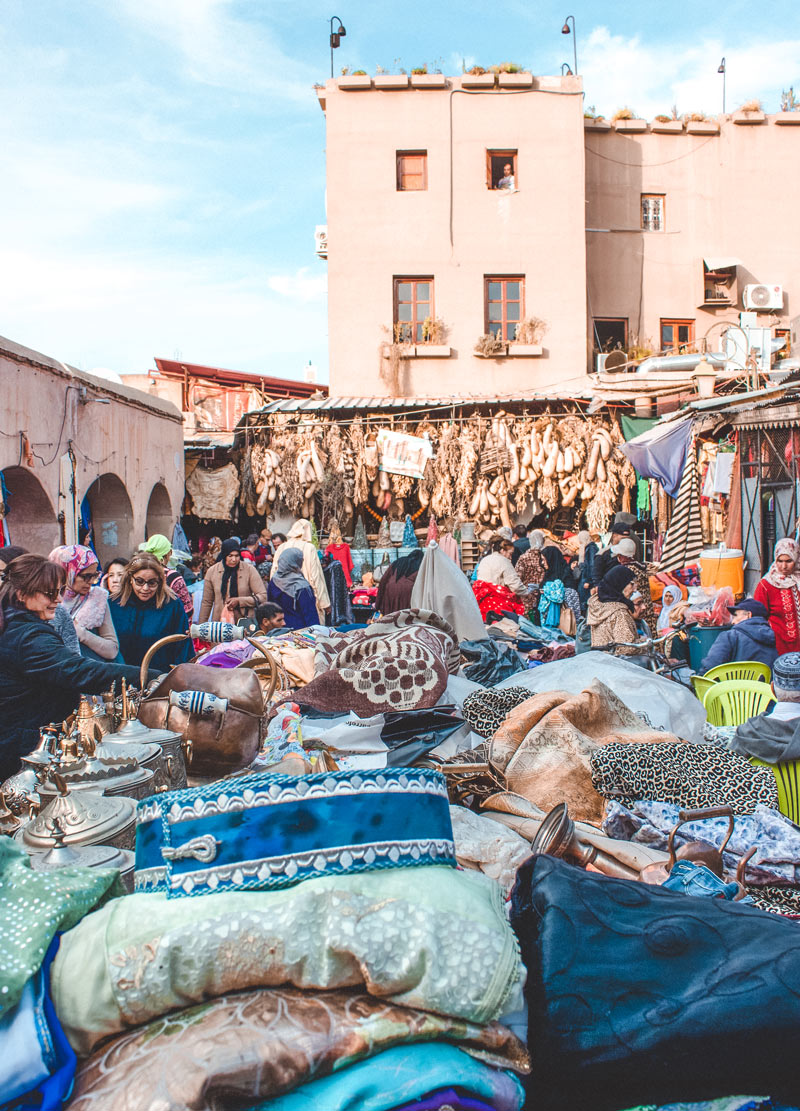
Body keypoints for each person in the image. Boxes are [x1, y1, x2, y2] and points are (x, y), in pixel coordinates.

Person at [0, 554, 142, 780]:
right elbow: (81, 672)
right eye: (50, 593)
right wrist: (150, 677)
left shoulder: (14, 624)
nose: (58, 599)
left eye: (60, 592)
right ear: (21, 594)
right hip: (23, 748)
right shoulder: (28, 636)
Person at [109, 554, 193, 672]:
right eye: (139, 582)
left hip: (159, 680)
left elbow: (183, 647)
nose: (145, 588)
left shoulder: (172, 605)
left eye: (152, 583)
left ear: (160, 581)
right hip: (119, 677)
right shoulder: (113, 604)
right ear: (130, 579)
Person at [1, 544, 80, 655]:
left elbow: (72, 659)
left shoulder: (57, 612)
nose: (59, 599)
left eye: (60, 591)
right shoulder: (23, 631)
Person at [48, 545, 121, 662]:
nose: (91, 582)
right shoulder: (46, 600)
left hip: (93, 672)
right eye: (86, 576)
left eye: (94, 575)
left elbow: (112, 650)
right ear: (67, 572)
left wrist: (82, 633)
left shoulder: (97, 598)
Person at [699, 598, 778, 674]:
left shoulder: (730, 636)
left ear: (748, 615)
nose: (732, 622)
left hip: (734, 687)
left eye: (735, 616)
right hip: (763, 687)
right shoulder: (771, 639)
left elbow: (710, 667)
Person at [199, 539, 267, 623]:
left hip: (244, 622)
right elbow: (207, 602)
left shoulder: (249, 570)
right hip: (220, 622)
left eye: (237, 555)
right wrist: (200, 628)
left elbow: (263, 597)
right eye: (230, 556)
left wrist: (239, 601)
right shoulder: (212, 572)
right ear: (224, 555)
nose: (234, 559)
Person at [754, 538, 800, 656]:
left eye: (789, 561)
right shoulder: (766, 585)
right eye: (780, 561)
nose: (784, 566)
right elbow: (758, 617)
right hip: (777, 645)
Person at [586, 566, 644, 658]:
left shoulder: (598, 607)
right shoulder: (619, 613)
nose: (635, 589)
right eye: (632, 584)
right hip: (616, 666)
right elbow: (626, 648)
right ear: (620, 584)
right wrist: (643, 643)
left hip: (600, 662)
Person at [472, 536, 530, 620]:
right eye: (510, 554)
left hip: (482, 602)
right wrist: (526, 592)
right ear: (503, 550)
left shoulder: (485, 560)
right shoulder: (504, 562)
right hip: (499, 603)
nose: (510, 557)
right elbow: (515, 585)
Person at [282, 519, 331, 621]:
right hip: (307, 597)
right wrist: (324, 603)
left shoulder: (282, 547)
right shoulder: (309, 548)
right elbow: (315, 576)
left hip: (285, 597)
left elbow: (274, 573)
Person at [139, 534, 194, 618]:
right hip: (169, 628)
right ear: (170, 553)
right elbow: (187, 609)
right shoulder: (173, 577)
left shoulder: (138, 574)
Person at [267, 547, 320, 630]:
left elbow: (269, 606)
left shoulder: (274, 581)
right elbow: (310, 615)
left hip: (278, 630)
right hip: (300, 632)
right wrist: (316, 633)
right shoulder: (302, 586)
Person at [538, 545, 582, 631]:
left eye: (544, 559)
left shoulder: (566, 573)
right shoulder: (548, 574)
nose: (542, 563)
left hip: (563, 620)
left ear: (551, 559)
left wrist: (549, 591)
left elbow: (569, 594)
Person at [375, 550, 423, 615]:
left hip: (390, 589)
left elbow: (383, 580)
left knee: (389, 617)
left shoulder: (398, 561)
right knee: (403, 619)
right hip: (407, 594)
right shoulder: (420, 565)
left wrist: (377, 605)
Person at [324, 522, 354, 587]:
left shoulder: (328, 548)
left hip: (332, 580)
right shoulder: (346, 547)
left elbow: (325, 565)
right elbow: (350, 566)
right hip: (345, 581)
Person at [575, 530, 599, 611]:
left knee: (585, 602)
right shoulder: (589, 547)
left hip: (586, 580)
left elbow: (592, 565)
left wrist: (588, 581)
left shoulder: (591, 549)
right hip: (585, 579)